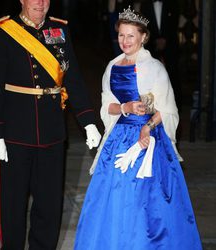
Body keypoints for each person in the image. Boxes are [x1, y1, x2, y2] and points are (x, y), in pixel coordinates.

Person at [74, 6, 202, 250]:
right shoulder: (112, 66)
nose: (125, 41)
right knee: (112, 198)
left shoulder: (155, 68)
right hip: (119, 139)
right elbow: (106, 106)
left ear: (143, 37)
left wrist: (148, 127)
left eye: (130, 35)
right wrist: (126, 107)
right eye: (121, 35)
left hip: (148, 141)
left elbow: (168, 109)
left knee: (145, 201)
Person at [0, 0, 101, 249]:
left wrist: (88, 121)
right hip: (15, 133)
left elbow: (73, 78)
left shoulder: (60, 30)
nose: (40, 3)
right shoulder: (3, 31)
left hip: (52, 131)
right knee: (12, 205)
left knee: (49, 204)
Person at [140, 0, 182, 109]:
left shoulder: (172, 3)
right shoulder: (145, 5)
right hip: (151, 46)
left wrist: (165, 39)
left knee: (172, 75)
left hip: (170, 45)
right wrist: (155, 40)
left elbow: (174, 23)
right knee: (151, 76)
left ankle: (174, 106)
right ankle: (152, 107)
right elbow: (143, 26)